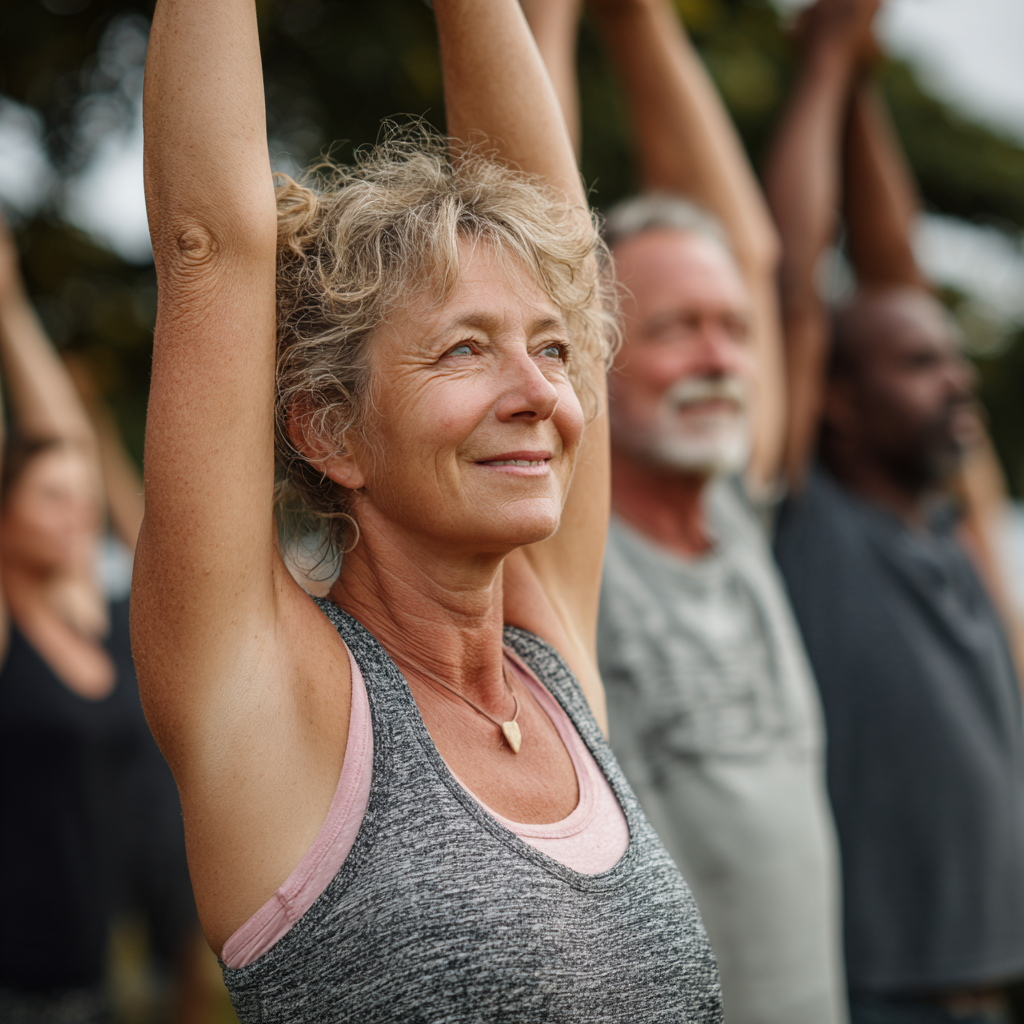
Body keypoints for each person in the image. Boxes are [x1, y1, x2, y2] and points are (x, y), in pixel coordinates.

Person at [134, 0, 723, 1021]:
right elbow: (208, 249)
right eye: (463, 348)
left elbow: (566, 255)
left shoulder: (549, 664)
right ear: (330, 431)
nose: (539, 391)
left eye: (548, 348)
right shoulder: (275, 700)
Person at [524, 2, 846, 1022]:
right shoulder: (561, 533)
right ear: (585, 359)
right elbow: (534, 225)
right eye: (675, 329)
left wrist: (642, 20)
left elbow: (750, 252)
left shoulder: (738, 518)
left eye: (731, 332)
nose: (717, 357)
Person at [765, 1, 1024, 1021]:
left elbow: (897, 276)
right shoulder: (805, 522)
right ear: (832, 399)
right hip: (874, 994)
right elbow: (794, 284)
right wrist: (822, 66)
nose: (957, 380)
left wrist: (859, 82)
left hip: (989, 988)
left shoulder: (958, 519)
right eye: (922, 365)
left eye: (955, 355)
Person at [0, 215, 201, 1022]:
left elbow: (67, 443)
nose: (78, 512)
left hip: (95, 975)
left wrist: (11, 306)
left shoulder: (85, 610)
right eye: (52, 499)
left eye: (81, 498)